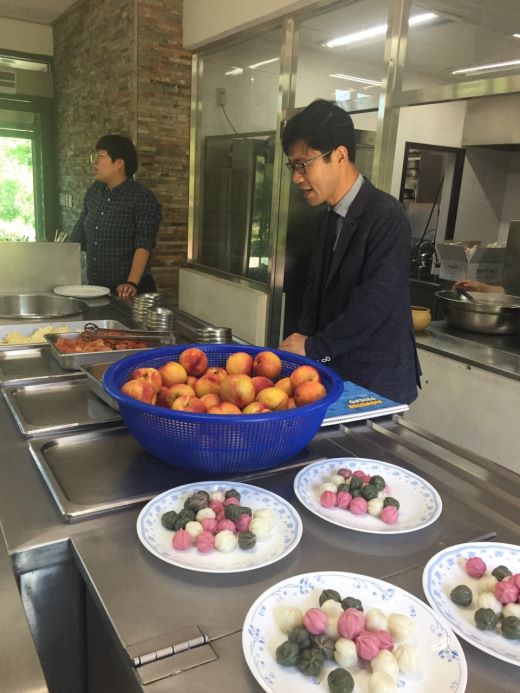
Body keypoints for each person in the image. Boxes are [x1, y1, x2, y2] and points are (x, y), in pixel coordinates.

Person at [278, 99, 421, 404]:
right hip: (334, 372)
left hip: (375, 383)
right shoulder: (329, 218)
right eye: (293, 165)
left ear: (340, 156)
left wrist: (314, 348)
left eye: (304, 164)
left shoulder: (386, 216)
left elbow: (374, 304)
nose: (297, 177)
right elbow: (314, 292)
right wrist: (301, 352)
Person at [70, 134, 161, 299]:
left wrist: (131, 283)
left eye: (100, 157)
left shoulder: (142, 198)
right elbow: (78, 235)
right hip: (97, 289)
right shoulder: (94, 191)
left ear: (119, 163)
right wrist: (55, 254)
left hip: (129, 292)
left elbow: (144, 244)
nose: (94, 163)